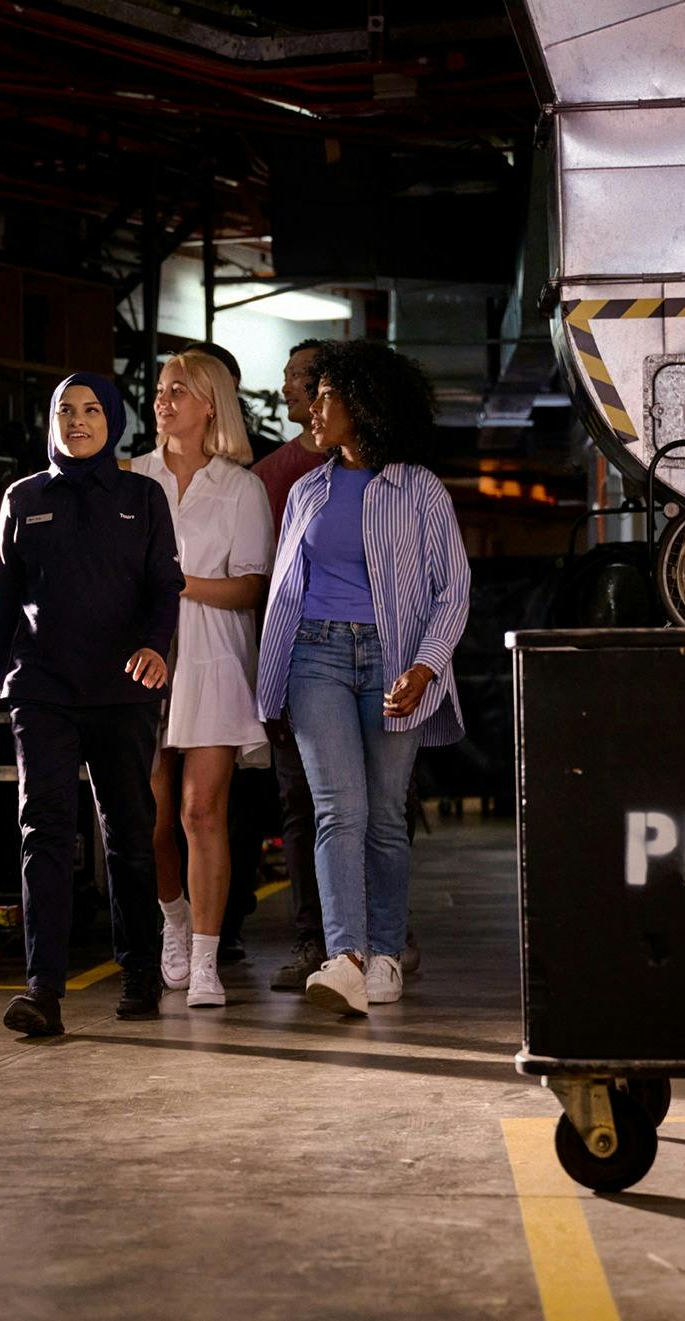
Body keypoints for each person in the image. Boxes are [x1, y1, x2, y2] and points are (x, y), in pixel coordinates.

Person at [256, 339, 470, 1017]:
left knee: (382, 817)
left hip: (394, 659)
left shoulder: (419, 489)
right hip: (312, 657)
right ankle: (344, 958)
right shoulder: (305, 491)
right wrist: (270, 679)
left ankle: (383, 954)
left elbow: (452, 590)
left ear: (363, 403)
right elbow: (284, 593)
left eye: (325, 395)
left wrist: (424, 664)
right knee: (334, 810)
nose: (311, 408)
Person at [0, 372, 185, 1037]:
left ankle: (141, 974)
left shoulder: (142, 497)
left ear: (113, 420)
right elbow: (0, 607)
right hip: (42, 693)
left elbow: (163, 589)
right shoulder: (23, 497)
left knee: (128, 834)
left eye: (91, 409)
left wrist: (155, 646)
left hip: (123, 692)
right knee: (44, 833)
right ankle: (43, 992)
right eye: (65, 410)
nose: (78, 420)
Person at [131, 350, 274, 1008]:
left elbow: (249, 586)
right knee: (155, 819)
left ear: (210, 402)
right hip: (143, 661)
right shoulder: (132, 478)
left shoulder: (240, 487)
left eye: (179, 389)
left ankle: (208, 959)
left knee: (200, 812)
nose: (164, 400)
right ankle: (174, 923)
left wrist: (176, 582)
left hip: (214, 658)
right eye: (160, 390)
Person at [250, 340, 332, 990]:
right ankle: (314, 941)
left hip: (368, 663)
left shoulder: (386, 470)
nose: (286, 391)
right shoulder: (273, 474)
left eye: (295, 378)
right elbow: (264, 587)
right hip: (298, 658)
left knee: (375, 807)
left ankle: (380, 937)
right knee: (300, 805)